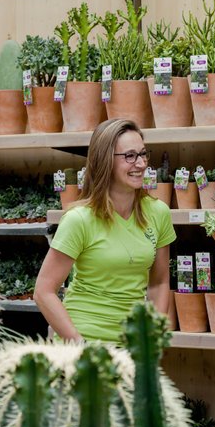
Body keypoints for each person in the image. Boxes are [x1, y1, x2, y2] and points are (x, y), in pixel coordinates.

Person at [34, 118, 176, 343]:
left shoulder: (159, 213)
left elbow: (159, 283)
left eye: (143, 154)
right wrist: (78, 344)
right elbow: (43, 291)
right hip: (84, 344)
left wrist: (152, 340)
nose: (140, 164)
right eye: (129, 156)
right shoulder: (79, 219)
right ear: (105, 160)